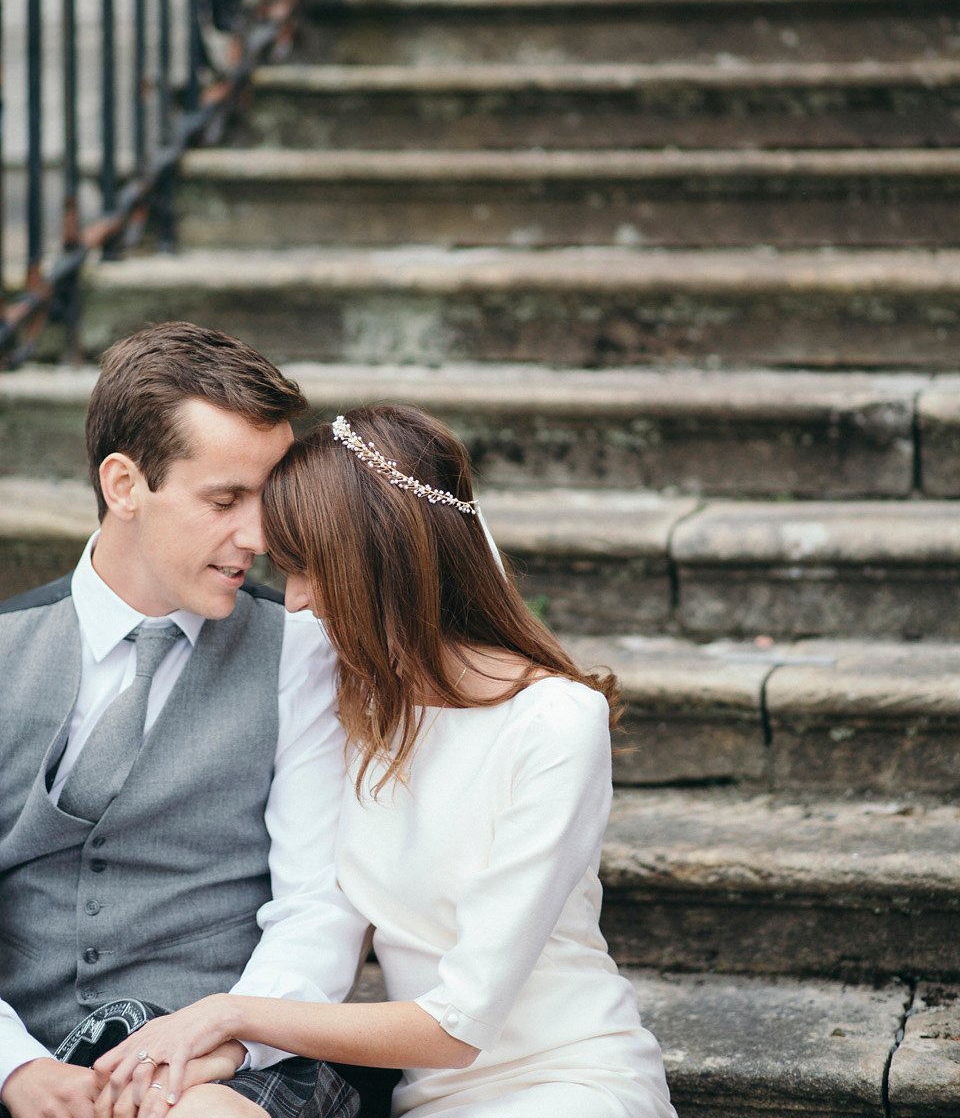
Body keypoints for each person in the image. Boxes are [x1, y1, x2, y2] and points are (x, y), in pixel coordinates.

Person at [97, 404, 677, 1118]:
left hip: (566, 1084)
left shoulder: (555, 725)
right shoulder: (363, 709)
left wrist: (232, 1014)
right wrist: (211, 1055)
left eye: (311, 573)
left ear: (382, 563)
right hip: (426, 1099)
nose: (298, 604)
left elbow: (457, 1025)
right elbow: (316, 908)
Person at [0, 324, 366, 1118]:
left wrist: (223, 1048)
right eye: (224, 501)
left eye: (268, 500)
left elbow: (318, 908)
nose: (261, 538)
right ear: (124, 485)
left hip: (228, 1068)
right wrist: (15, 1070)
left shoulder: (299, 653)